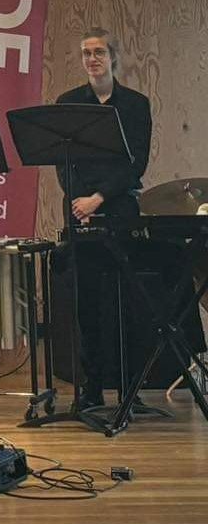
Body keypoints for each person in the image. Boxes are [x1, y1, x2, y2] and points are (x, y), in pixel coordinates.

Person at [54, 27, 153, 411]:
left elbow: (136, 163)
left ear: (113, 57)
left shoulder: (135, 104)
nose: (92, 59)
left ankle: (130, 388)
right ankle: (92, 387)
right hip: (80, 210)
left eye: (99, 52)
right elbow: (63, 162)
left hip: (120, 208)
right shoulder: (68, 103)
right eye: (86, 53)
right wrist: (81, 201)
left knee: (125, 301)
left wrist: (98, 198)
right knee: (88, 303)